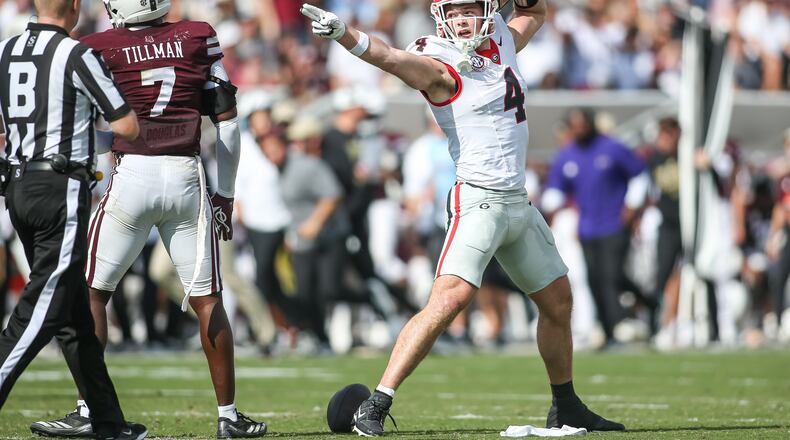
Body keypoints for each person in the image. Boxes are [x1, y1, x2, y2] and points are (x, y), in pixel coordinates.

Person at [301, 0, 624, 436]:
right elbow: (391, 58)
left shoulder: (502, 40)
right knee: (450, 299)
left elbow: (537, 11)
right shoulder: (438, 61)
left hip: (518, 204)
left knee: (558, 303)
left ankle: (565, 405)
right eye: (451, 13)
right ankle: (376, 404)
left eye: (468, 9)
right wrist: (344, 34)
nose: (459, 19)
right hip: (478, 201)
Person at [30, 0, 267, 437]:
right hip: (186, 175)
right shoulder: (198, 34)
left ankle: (88, 409)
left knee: (93, 293)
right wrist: (226, 195)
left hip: (132, 173)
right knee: (207, 299)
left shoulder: (98, 45)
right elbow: (228, 122)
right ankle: (228, 417)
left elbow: (89, 126)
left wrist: (96, 162)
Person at [0, 1, 147, 438]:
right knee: (44, 303)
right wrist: (87, 134)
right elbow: (127, 126)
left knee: (72, 311)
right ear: (75, 8)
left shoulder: (7, 50)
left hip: (18, 185)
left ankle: (107, 422)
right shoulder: (77, 53)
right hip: (60, 186)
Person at [542, 108, 652, 346]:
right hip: (588, 228)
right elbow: (556, 190)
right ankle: (610, 328)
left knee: (611, 276)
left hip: (614, 222)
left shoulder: (611, 148)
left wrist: (632, 206)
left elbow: (640, 174)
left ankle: (622, 322)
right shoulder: (567, 155)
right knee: (594, 279)